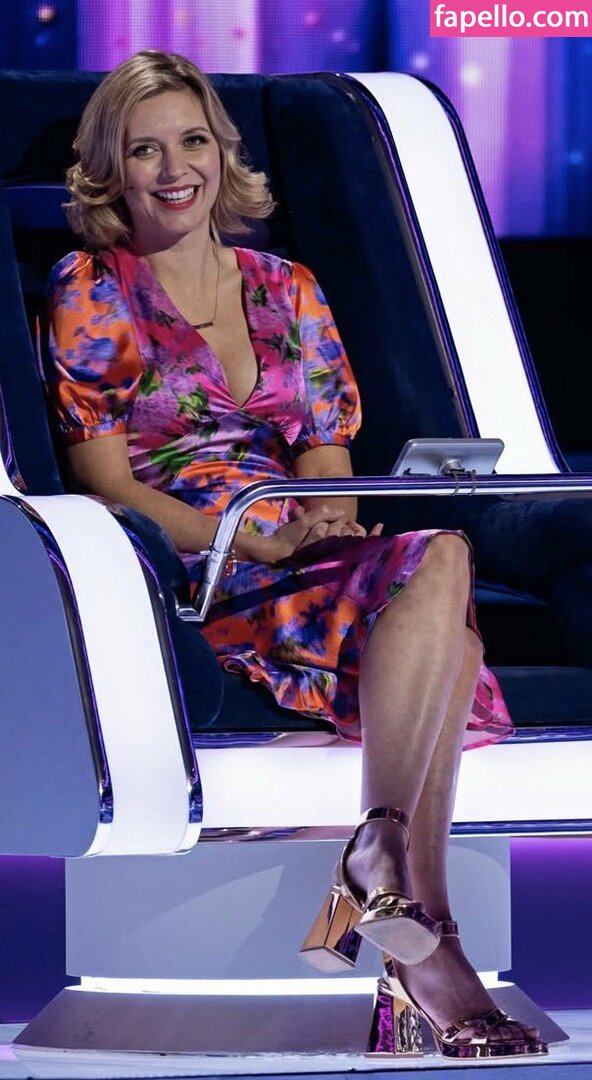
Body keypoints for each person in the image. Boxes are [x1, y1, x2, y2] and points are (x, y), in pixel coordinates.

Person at [44, 50, 545, 1058]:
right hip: (200, 573)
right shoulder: (92, 287)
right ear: (110, 170)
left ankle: (385, 872)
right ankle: (421, 935)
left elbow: (325, 457)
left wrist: (323, 522)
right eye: (144, 150)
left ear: (222, 154)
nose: (174, 169)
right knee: (446, 631)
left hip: (298, 555)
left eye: (192, 141)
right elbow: (108, 486)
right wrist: (259, 535)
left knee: (440, 554)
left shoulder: (288, 287)